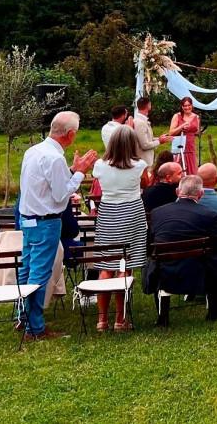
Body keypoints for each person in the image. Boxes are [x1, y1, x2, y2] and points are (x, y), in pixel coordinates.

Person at [17, 111, 98, 340]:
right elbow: (62, 194)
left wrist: (72, 171)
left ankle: (22, 317)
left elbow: (48, 185)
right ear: (70, 134)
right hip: (46, 221)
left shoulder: (33, 151)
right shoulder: (54, 158)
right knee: (39, 274)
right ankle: (35, 328)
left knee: (27, 269)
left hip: (28, 219)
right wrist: (80, 172)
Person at [146, 175, 217, 323]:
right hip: (198, 271)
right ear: (201, 194)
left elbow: (150, 244)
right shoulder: (209, 214)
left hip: (164, 271)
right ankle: (215, 311)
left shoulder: (157, 213)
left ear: (178, 191)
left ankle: (163, 316)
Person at [91, 125, 150, 331]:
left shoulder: (99, 165)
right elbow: (146, 183)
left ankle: (101, 319)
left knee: (106, 266)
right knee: (126, 265)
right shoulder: (139, 164)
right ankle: (120, 318)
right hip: (132, 211)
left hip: (108, 213)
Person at [167, 96, 201, 175]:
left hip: (191, 147)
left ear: (192, 105)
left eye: (189, 105)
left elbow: (196, 131)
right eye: (185, 106)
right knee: (179, 170)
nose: (187, 107)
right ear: (182, 107)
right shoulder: (177, 116)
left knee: (192, 171)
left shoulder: (197, 117)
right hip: (179, 146)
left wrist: (199, 132)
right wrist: (181, 127)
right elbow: (171, 133)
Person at [132, 96, 164, 167]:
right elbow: (145, 145)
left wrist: (160, 138)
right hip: (143, 161)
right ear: (148, 105)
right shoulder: (140, 122)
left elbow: (149, 138)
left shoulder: (142, 121)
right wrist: (159, 141)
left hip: (146, 160)